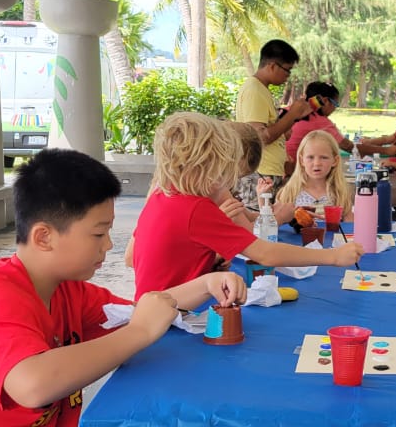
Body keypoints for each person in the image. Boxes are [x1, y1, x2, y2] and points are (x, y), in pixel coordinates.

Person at [0, 149, 249, 426]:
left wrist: (207, 283)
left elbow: (140, 311)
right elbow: (32, 385)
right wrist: (140, 332)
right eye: (98, 233)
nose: (109, 245)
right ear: (44, 237)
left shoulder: (68, 290)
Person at [128, 112, 363, 296]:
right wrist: (333, 256)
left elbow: (140, 259)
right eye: (224, 173)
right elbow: (266, 254)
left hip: (152, 308)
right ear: (207, 170)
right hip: (169, 315)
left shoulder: (161, 193)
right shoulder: (197, 209)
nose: (227, 184)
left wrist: (208, 265)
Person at [235, 39, 312, 210]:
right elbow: (260, 137)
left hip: (268, 171)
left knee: (269, 223)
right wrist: (292, 114)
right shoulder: (254, 90)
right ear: (272, 65)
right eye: (287, 70)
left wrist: (285, 128)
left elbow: (267, 130)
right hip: (260, 173)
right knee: (260, 225)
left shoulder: (261, 89)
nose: (288, 76)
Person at [273, 130, 354, 225]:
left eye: (324, 157)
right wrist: (262, 197)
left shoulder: (340, 192)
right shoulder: (290, 191)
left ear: (335, 161)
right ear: (301, 160)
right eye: (310, 157)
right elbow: (273, 220)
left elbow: (350, 226)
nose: (317, 163)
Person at [285, 82, 355, 162]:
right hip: (292, 168)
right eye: (335, 104)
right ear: (325, 101)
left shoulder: (289, 109)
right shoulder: (319, 121)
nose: (334, 109)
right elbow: (348, 146)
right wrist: (372, 148)